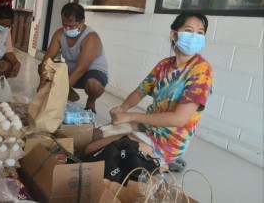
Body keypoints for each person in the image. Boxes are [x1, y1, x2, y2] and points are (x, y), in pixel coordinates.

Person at [84, 12, 213, 172]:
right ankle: (152, 159)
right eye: (188, 30)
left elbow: (179, 119)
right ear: (174, 35)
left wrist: (130, 116)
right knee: (96, 134)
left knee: (91, 150)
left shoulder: (201, 72)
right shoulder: (165, 65)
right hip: (149, 127)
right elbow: (140, 92)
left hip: (168, 141)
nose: (195, 36)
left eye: (200, 32)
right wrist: (122, 109)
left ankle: (161, 162)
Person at [38, 2, 108, 113]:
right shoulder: (59, 34)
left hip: (92, 72)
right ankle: (70, 93)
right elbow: (47, 61)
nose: (67, 28)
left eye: (71, 26)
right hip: (72, 70)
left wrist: (58, 92)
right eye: (64, 24)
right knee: (44, 68)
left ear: (82, 22)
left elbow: (80, 70)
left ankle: (91, 101)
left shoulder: (90, 38)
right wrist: (42, 84)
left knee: (93, 84)